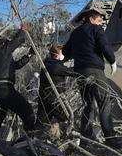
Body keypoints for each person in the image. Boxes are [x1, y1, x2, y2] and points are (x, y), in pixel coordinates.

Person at [65, 8, 116, 141]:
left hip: (80, 72)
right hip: (95, 70)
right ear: (92, 19)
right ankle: (110, 137)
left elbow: (66, 51)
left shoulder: (75, 33)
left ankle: (86, 138)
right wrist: (112, 60)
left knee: (88, 103)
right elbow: (104, 45)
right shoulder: (96, 29)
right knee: (104, 101)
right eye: (99, 20)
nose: (101, 24)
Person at [0, 29, 37, 136]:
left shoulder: (1, 58)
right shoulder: (1, 50)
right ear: (4, 44)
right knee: (26, 109)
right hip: (3, 87)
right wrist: (23, 30)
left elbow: (17, 65)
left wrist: (29, 55)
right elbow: (18, 39)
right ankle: (30, 136)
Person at [38, 44, 78, 138]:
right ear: (57, 55)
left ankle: (37, 139)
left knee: (41, 124)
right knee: (68, 119)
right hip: (55, 100)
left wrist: (68, 56)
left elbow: (61, 61)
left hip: (44, 98)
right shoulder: (56, 67)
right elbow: (72, 72)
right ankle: (70, 139)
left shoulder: (47, 64)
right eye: (62, 53)